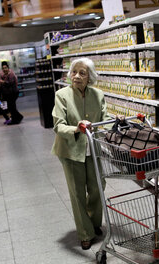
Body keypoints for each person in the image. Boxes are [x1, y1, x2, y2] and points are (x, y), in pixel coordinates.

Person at [51, 58, 114, 250]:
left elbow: (106, 120)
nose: (77, 76)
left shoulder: (98, 95)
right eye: (74, 72)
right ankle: (85, 233)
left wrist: (115, 122)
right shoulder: (62, 95)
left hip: (92, 149)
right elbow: (58, 126)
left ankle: (94, 223)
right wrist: (76, 128)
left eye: (82, 73)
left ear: (90, 77)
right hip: (70, 150)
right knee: (77, 193)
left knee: (97, 187)